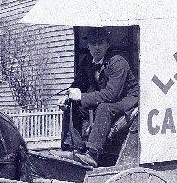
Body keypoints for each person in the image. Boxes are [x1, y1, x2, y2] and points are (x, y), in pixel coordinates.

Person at [60, 27, 139, 167]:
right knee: (72, 105)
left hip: (127, 99)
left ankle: (93, 153)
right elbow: (78, 84)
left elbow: (111, 94)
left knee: (104, 108)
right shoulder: (88, 61)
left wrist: (82, 97)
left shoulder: (117, 62)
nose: (97, 47)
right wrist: (68, 95)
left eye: (100, 43)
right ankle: (75, 148)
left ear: (107, 45)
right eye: (93, 43)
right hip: (109, 98)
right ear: (88, 46)